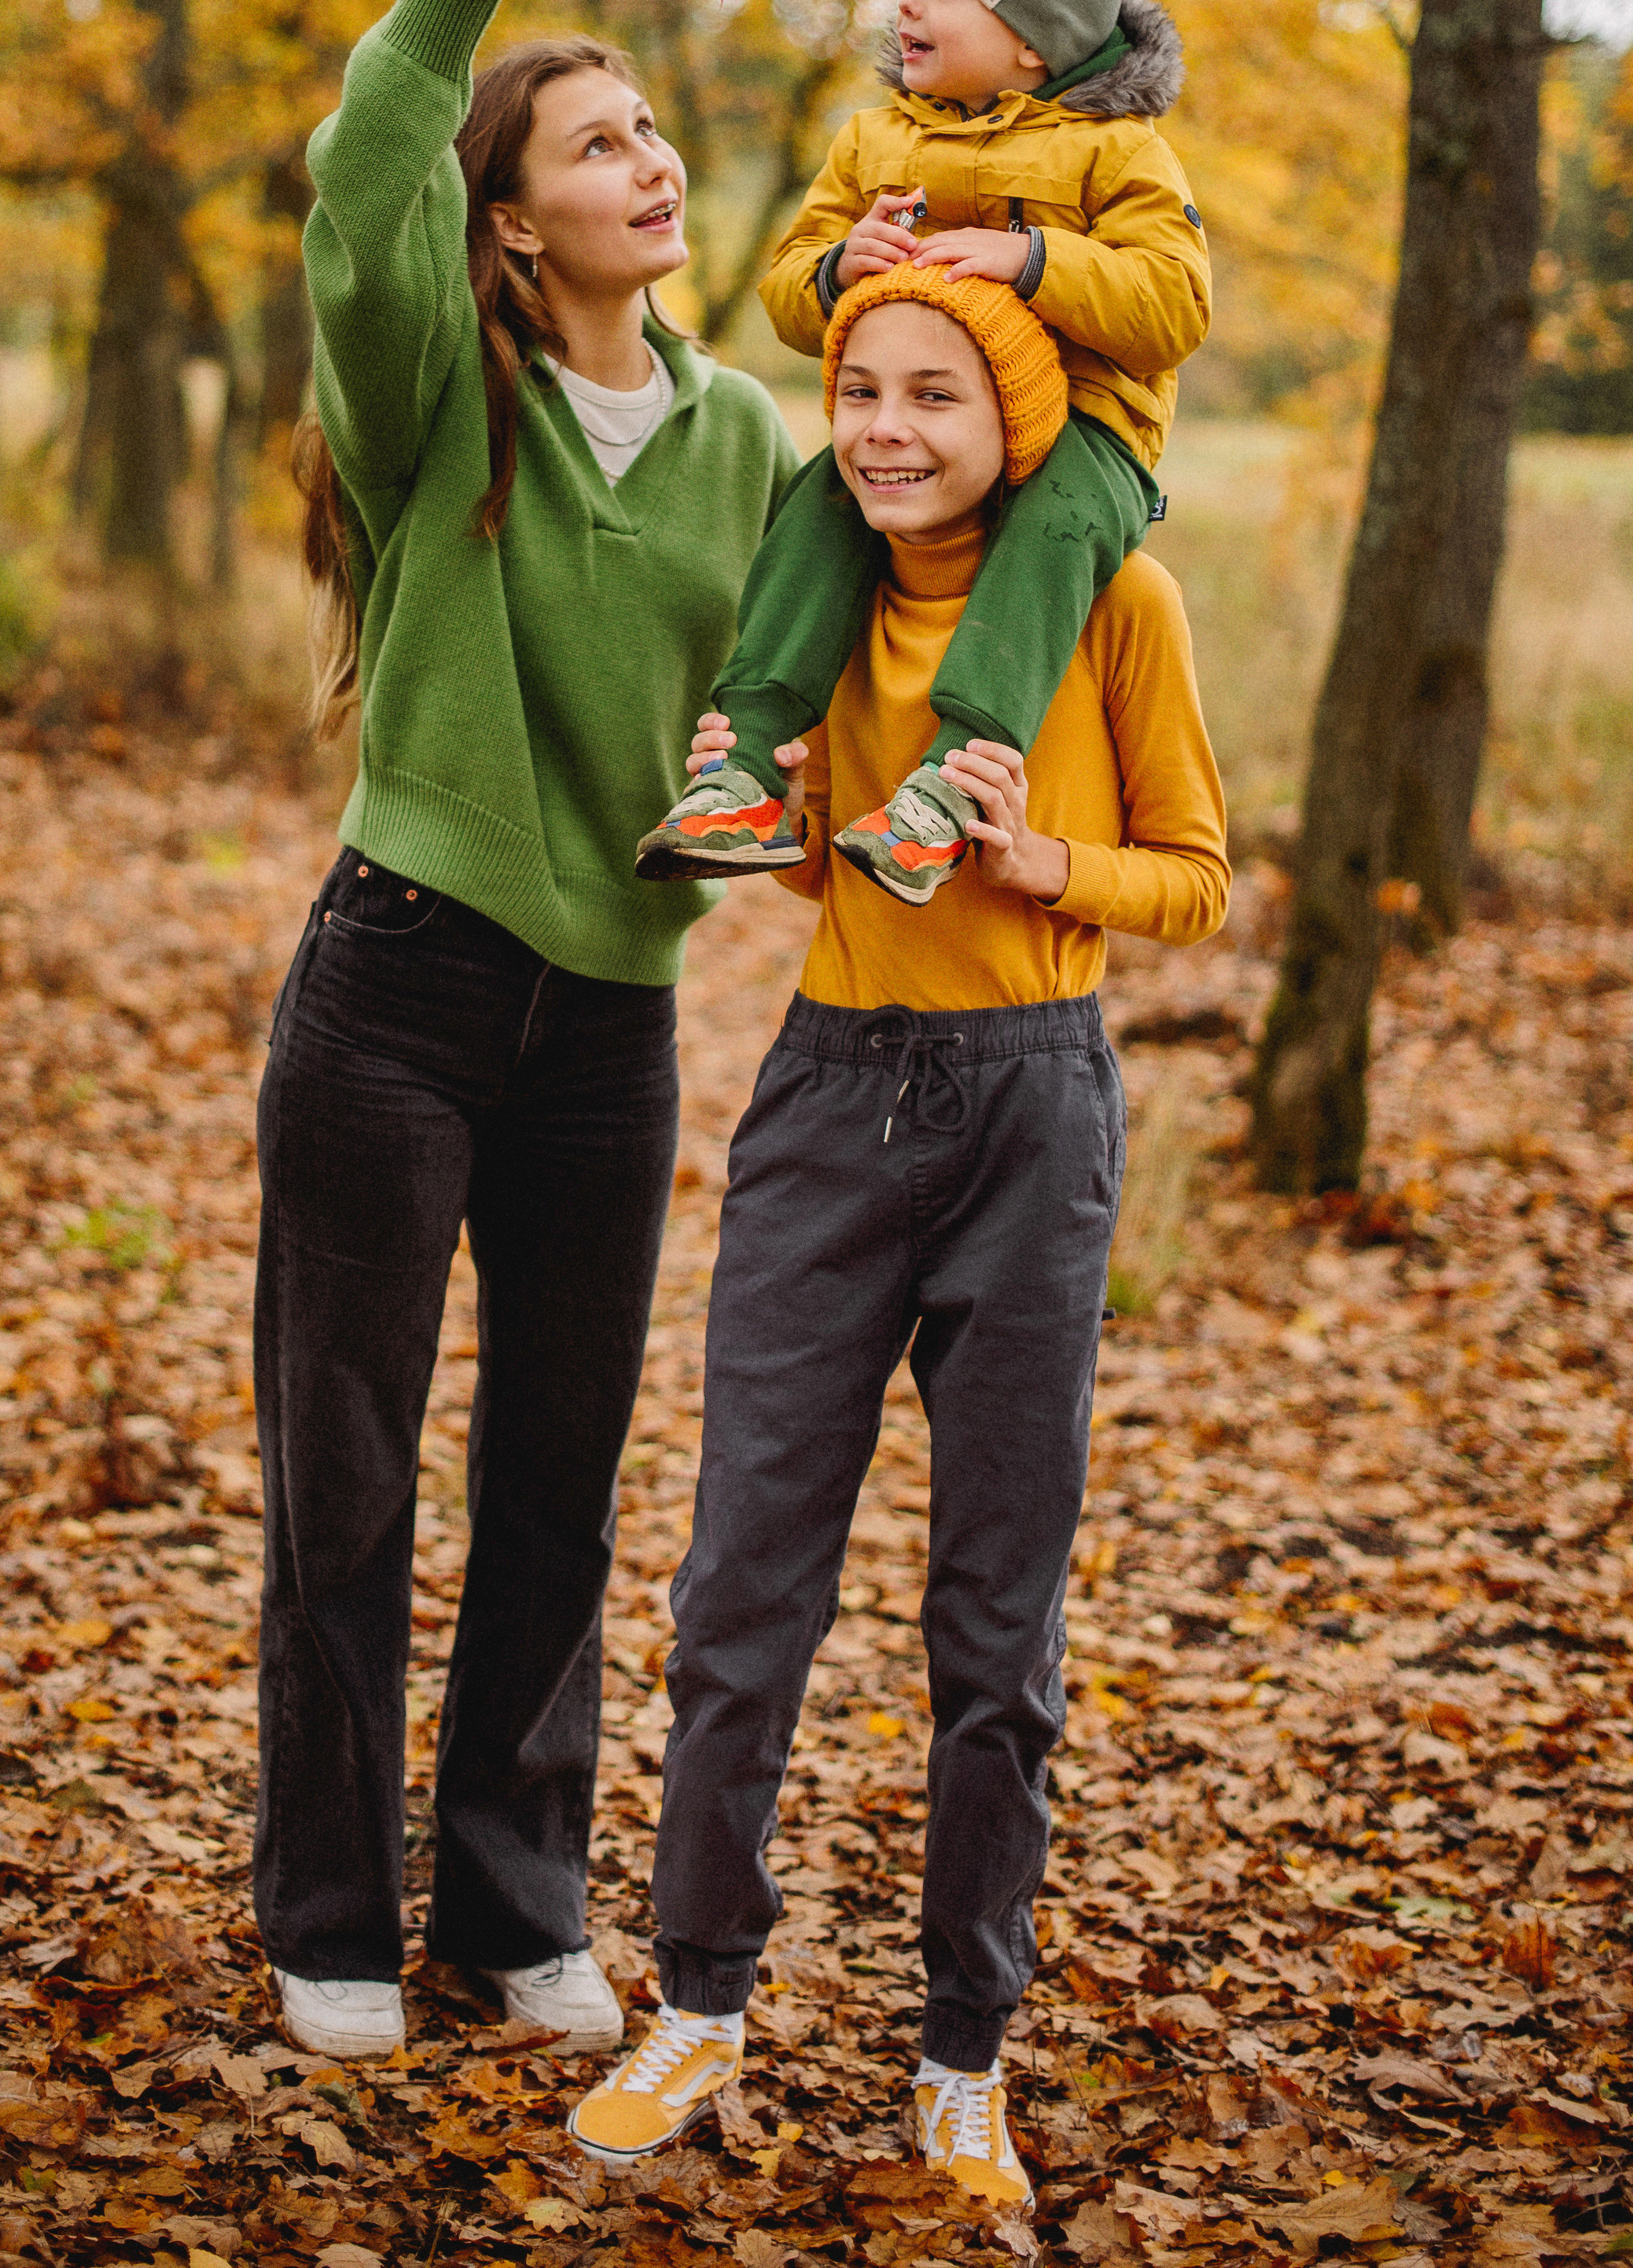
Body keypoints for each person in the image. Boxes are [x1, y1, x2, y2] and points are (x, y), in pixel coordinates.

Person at [572, 264, 1228, 2201]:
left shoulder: (1113, 599)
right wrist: (778, 819)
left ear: (1012, 420)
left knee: (994, 1628)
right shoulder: (817, 596)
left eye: (931, 394)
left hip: (1033, 1111)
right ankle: (697, 2003)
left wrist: (1038, 859)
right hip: (831, 1103)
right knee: (735, 1590)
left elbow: (1195, 878)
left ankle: (962, 2053)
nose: (882, 428)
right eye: (856, 388)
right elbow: (812, 876)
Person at [252, 0, 800, 2067]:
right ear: (505, 224)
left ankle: (510, 1903)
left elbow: (780, 706)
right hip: (400, 983)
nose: (648, 162)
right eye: (593, 144)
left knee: (560, 1480)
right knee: (347, 1470)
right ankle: (329, 1918)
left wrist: (779, 797)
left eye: (652, 129)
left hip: (612, 1022)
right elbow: (360, 170)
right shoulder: (430, 393)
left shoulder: (748, 439)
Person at [637, 0, 1212, 907]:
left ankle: (951, 783)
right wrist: (837, 268)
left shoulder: (1117, 152)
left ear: (1033, 34)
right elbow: (786, 291)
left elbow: (1175, 305)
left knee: (1053, 533)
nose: (907, 4)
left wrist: (1034, 260)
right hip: (919, 422)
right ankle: (748, 764)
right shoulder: (875, 142)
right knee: (816, 509)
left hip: (1089, 433)